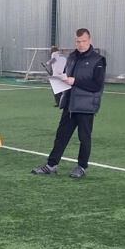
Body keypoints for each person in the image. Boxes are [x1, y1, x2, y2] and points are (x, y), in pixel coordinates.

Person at [32, 28, 106, 178]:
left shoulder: (98, 60)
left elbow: (97, 85)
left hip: (86, 107)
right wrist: (61, 78)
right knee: (61, 136)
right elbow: (67, 75)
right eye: (78, 41)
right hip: (70, 104)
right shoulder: (72, 57)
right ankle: (51, 165)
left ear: (90, 40)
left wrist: (75, 81)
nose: (81, 44)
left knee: (84, 138)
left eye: (84, 41)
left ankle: (81, 167)